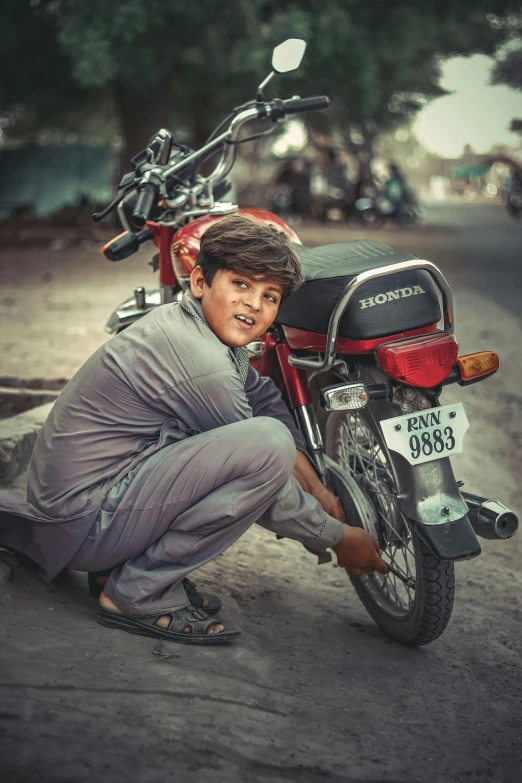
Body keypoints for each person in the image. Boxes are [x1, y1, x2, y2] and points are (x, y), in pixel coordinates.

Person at [0, 214, 387, 645]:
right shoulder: (200, 364)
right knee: (267, 445)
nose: (254, 305)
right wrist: (337, 537)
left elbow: (260, 396)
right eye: (241, 284)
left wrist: (313, 482)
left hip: (84, 511)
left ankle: (118, 569)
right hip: (83, 525)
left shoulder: (193, 325)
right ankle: (138, 591)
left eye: (270, 296)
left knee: (265, 438)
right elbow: (262, 471)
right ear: (200, 281)